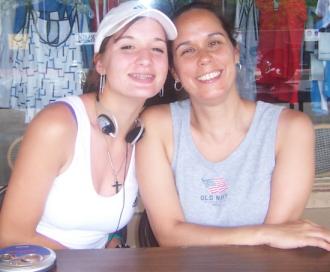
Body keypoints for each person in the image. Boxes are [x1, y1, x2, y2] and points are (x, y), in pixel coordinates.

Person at [136, 2, 330, 250]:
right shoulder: (156, 126)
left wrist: (268, 236)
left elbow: (277, 244)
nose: (204, 58)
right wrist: (263, 234)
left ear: (235, 52)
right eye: (187, 50)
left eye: (214, 43)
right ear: (174, 71)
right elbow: (169, 236)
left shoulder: (290, 129)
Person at [0, 0, 177, 249]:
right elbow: (11, 236)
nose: (145, 59)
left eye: (157, 49)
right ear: (100, 62)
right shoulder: (59, 125)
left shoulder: (146, 133)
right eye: (128, 46)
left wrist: (113, 241)